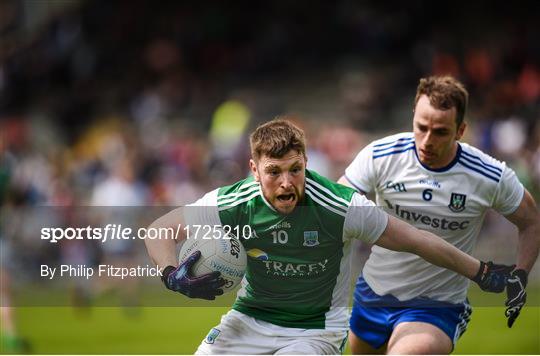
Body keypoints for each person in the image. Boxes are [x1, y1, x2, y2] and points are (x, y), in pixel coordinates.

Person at [145, 118, 513, 355]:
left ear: (307, 162)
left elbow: (417, 240)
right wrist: (171, 273)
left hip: (315, 332)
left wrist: (481, 271)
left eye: (296, 169)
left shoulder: (341, 207)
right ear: (254, 170)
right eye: (274, 172)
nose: (287, 183)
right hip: (248, 320)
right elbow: (159, 230)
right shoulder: (233, 201)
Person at [339, 76, 539, 354]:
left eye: (441, 132)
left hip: (438, 306)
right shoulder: (381, 155)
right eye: (421, 127)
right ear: (413, 117)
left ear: (461, 130)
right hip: (372, 295)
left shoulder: (489, 175)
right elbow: (337, 203)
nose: (427, 141)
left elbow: (531, 221)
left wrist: (520, 275)